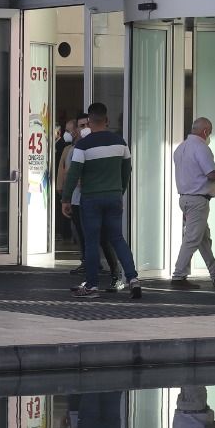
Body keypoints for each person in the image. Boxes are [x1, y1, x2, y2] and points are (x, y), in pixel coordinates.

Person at [60, 102, 141, 300]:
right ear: (107, 120)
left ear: (88, 121)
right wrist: (119, 191)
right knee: (117, 239)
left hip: (91, 198)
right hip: (113, 196)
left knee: (91, 241)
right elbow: (126, 171)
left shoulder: (82, 145)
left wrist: (66, 199)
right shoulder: (120, 143)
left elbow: (73, 175)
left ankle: (92, 285)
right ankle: (133, 279)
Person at [59, 113, 120, 286]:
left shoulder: (99, 146)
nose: (83, 129)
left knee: (103, 237)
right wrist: (66, 198)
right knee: (85, 237)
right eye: (80, 126)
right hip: (79, 200)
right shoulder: (73, 148)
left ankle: (115, 271)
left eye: (86, 124)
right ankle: (90, 272)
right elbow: (69, 173)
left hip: (95, 198)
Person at [171, 116, 215, 289]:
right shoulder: (201, 148)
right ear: (205, 131)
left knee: (203, 239)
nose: (209, 135)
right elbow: (211, 173)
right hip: (198, 200)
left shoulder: (180, 148)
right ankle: (179, 276)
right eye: (209, 132)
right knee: (193, 239)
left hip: (186, 198)